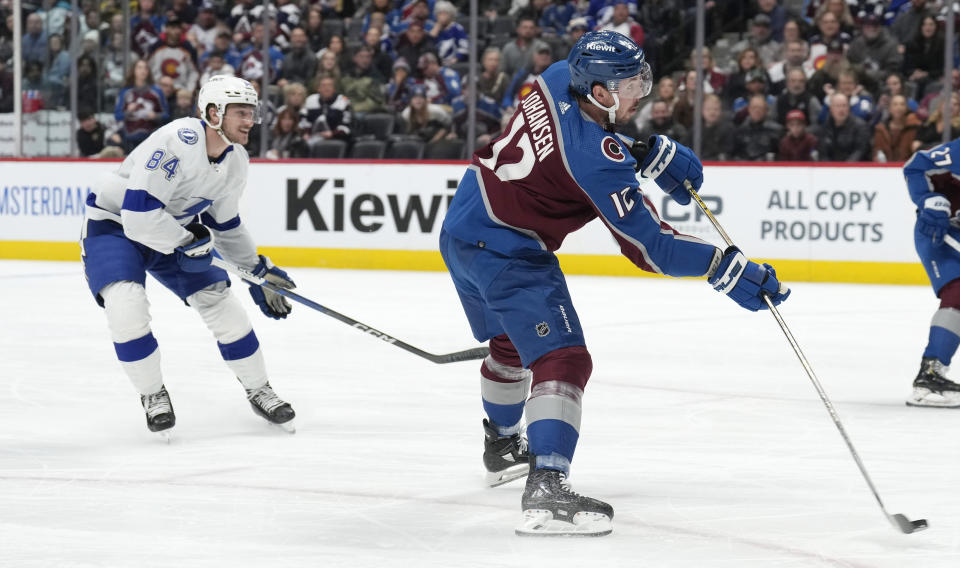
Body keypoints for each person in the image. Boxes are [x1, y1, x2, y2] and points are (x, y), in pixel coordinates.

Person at [438, 30, 790, 537]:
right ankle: (546, 486)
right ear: (600, 92)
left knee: (511, 343)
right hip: (509, 249)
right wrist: (725, 266)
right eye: (630, 84)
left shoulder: (559, 75)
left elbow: (574, 138)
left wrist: (640, 150)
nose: (640, 91)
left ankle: (501, 444)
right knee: (563, 358)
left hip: (462, 228)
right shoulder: (598, 162)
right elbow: (651, 248)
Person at [81, 76, 297, 437]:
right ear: (214, 113)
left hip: (173, 231)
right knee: (126, 306)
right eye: (241, 112)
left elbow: (225, 225)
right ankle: (153, 395)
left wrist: (256, 269)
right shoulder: (176, 141)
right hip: (115, 226)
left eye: (252, 112)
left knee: (220, 301)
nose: (250, 121)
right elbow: (137, 217)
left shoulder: (237, 160)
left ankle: (259, 389)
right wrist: (186, 241)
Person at [903, 134, 960, 408]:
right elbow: (916, 165)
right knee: (958, 291)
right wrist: (929, 200)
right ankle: (931, 373)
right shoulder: (956, 153)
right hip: (939, 231)